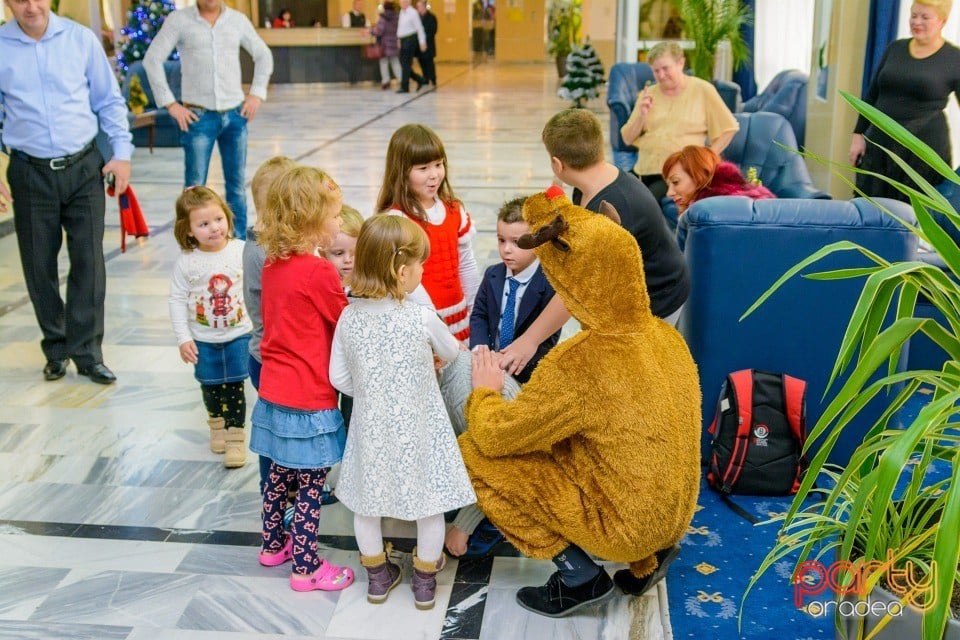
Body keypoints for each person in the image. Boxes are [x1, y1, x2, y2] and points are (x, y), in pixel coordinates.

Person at [459, 186, 701, 617]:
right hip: (674, 518)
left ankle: (577, 575)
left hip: (621, 525)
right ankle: (648, 559)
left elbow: (498, 438)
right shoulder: (667, 337)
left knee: (474, 451)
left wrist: (484, 395)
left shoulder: (582, 360)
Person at [330, 215, 475, 609]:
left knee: (367, 504)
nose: (423, 272)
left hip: (371, 425)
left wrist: (374, 388)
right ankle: (425, 582)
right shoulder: (420, 316)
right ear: (401, 271)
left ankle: (378, 578)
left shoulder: (349, 317)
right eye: (420, 266)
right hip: (421, 424)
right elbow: (449, 351)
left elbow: (339, 378)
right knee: (429, 506)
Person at [499, 108, 688, 377]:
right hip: (643, 281)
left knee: (633, 373)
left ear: (557, 163)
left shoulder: (612, 209)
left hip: (660, 296)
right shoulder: (597, 182)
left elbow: (578, 290)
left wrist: (529, 341)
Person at [0, 0, 132, 385]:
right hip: (29, 171)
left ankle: (88, 353)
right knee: (38, 265)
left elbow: (109, 101)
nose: (30, 6)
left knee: (89, 261)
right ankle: (56, 348)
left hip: (83, 167)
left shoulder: (80, 40)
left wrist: (121, 155)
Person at [249, 166, 355, 593]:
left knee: (278, 475)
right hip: (310, 395)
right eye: (332, 216)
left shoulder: (273, 265)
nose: (336, 223)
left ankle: (273, 545)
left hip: (274, 391)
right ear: (311, 221)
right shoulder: (318, 271)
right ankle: (307, 567)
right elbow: (342, 322)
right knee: (311, 483)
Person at [445, 196, 561, 558]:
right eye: (501, 240)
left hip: (523, 375)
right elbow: (479, 314)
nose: (507, 250)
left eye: (517, 242)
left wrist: (509, 365)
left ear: (538, 242)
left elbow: (547, 340)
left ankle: (489, 512)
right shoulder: (495, 275)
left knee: (503, 439)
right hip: (488, 363)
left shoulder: (549, 283)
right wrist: (481, 349)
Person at [143, 0, 274, 240]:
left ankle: (238, 245)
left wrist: (256, 93)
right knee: (194, 187)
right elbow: (152, 60)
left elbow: (263, 56)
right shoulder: (179, 21)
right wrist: (170, 104)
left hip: (235, 116)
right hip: (198, 117)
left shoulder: (237, 20)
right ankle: (192, 243)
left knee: (236, 187)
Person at [169, 186, 252, 468]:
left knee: (235, 386)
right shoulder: (187, 263)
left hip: (239, 333)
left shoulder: (241, 250)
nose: (214, 228)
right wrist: (183, 338)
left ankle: (235, 438)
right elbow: (177, 300)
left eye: (218, 219)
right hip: (203, 338)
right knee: (210, 385)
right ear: (189, 230)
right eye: (203, 224)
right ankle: (216, 426)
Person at [376, 124, 480, 341]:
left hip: (460, 317)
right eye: (423, 169)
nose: (434, 175)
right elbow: (398, 281)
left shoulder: (454, 210)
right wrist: (433, 325)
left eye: (438, 165)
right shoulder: (397, 220)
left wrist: (475, 309)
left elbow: (466, 263)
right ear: (401, 171)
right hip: (421, 323)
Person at [849, 0, 960, 201]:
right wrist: (858, 134)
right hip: (881, 146)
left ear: (942, 21)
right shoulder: (895, 48)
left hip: (923, 152)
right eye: (913, 15)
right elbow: (872, 94)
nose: (917, 22)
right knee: (870, 209)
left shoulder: (954, 59)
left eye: (925, 17)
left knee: (913, 217)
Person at [619, 41, 739, 201]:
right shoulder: (648, 94)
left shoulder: (702, 90)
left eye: (665, 68)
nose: (661, 75)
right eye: (656, 71)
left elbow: (729, 128)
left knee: (641, 203)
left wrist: (704, 159)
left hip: (676, 174)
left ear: (680, 63)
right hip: (643, 169)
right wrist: (641, 115)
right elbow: (627, 138)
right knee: (613, 194)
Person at [243, 156, 296, 489]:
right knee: (276, 434)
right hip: (272, 359)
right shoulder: (268, 254)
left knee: (282, 429)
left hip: (267, 355)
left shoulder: (262, 244)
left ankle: (287, 489)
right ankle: (274, 492)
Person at [322, 204, 364, 432]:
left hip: (355, 368)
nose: (348, 260)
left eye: (355, 253)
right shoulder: (322, 285)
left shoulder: (367, 284)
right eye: (338, 254)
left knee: (352, 417)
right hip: (326, 362)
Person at [662, 145, 775, 214]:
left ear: (698, 175)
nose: (669, 193)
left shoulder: (705, 214)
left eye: (675, 182)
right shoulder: (757, 197)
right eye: (668, 186)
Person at [395, 0, 427, 93]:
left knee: (406, 64)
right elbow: (400, 27)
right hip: (403, 39)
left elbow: (419, 28)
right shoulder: (401, 12)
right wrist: (398, 39)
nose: (402, 3)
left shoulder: (413, 13)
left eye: (404, 1)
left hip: (410, 39)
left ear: (409, 2)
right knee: (403, 63)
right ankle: (419, 79)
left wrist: (422, 42)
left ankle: (404, 87)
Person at [372, 1, 402, 90]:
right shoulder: (397, 17)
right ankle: (401, 80)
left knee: (383, 63)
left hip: (384, 45)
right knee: (395, 62)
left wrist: (371, 32)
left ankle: (385, 81)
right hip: (394, 43)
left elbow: (379, 31)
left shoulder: (383, 17)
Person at [416, 0, 438, 87]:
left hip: (429, 44)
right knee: (421, 61)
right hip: (419, 44)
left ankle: (432, 78)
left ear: (424, 6)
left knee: (429, 62)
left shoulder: (431, 17)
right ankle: (425, 77)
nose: (418, 8)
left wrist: (424, 38)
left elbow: (433, 30)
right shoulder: (417, 18)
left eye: (419, 6)